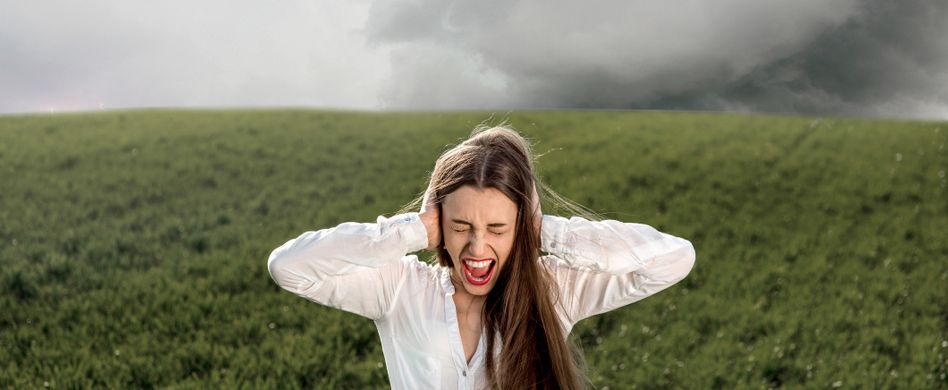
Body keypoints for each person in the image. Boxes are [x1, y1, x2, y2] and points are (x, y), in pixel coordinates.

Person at [267, 125, 696, 389]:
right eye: (460, 227)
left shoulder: (555, 289)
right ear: (438, 221)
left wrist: (546, 232)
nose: (476, 248)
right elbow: (289, 267)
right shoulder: (399, 288)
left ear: (520, 224)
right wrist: (411, 231)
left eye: (497, 229)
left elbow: (673, 259)